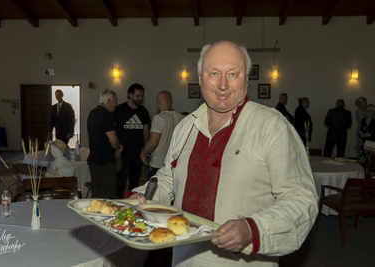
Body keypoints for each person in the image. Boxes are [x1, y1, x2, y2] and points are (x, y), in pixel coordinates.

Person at [130, 41, 318, 266]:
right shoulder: (185, 127)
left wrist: (252, 228)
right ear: (200, 78)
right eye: (214, 73)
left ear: (246, 79)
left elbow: (301, 199)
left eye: (233, 73)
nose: (222, 84)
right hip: (183, 259)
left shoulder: (271, 126)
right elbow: (169, 178)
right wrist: (142, 196)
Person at [115, 83, 151, 198]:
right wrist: (116, 148)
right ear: (130, 95)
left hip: (138, 153)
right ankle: (119, 202)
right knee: (120, 181)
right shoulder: (120, 109)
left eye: (142, 96)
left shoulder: (143, 111)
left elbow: (146, 131)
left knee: (135, 183)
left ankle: (132, 204)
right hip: (123, 152)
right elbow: (113, 130)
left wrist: (145, 149)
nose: (140, 99)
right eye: (137, 96)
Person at [87, 89, 123, 198]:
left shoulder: (92, 113)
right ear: (109, 100)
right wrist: (119, 147)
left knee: (96, 193)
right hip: (105, 162)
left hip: (93, 160)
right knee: (108, 195)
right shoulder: (106, 115)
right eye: (115, 101)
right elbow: (113, 140)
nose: (116, 105)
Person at [140, 91, 184, 178]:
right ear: (171, 101)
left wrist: (143, 153)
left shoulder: (158, 118)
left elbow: (153, 142)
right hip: (175, 163)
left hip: (159, 164)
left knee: (155, 191)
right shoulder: (182, 118)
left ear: (158, 102)